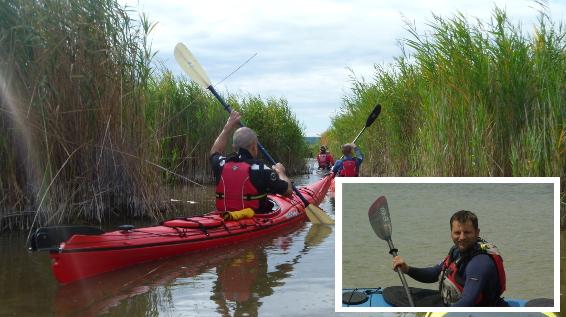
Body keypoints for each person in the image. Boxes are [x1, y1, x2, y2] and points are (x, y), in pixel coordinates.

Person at [392, 210, 507, 307]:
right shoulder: (457, 251)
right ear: (451, 233)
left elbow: (467, 302)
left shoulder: (480, 263)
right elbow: (434, 273)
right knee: (393, 293)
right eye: (457, 232)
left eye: (467, 232)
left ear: (477, 233)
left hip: (475, 310)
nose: (462, 237)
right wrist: (407, 269)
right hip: (455, 302)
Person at [210, 111, 293, 213]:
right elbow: (288, 192)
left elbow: (214, 151)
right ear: (254, 147)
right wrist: (281, 172)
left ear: (234, 147)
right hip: (254, 219)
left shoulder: (221, 164)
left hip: (223, 216)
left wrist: (228, 126)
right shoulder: (262, 170)